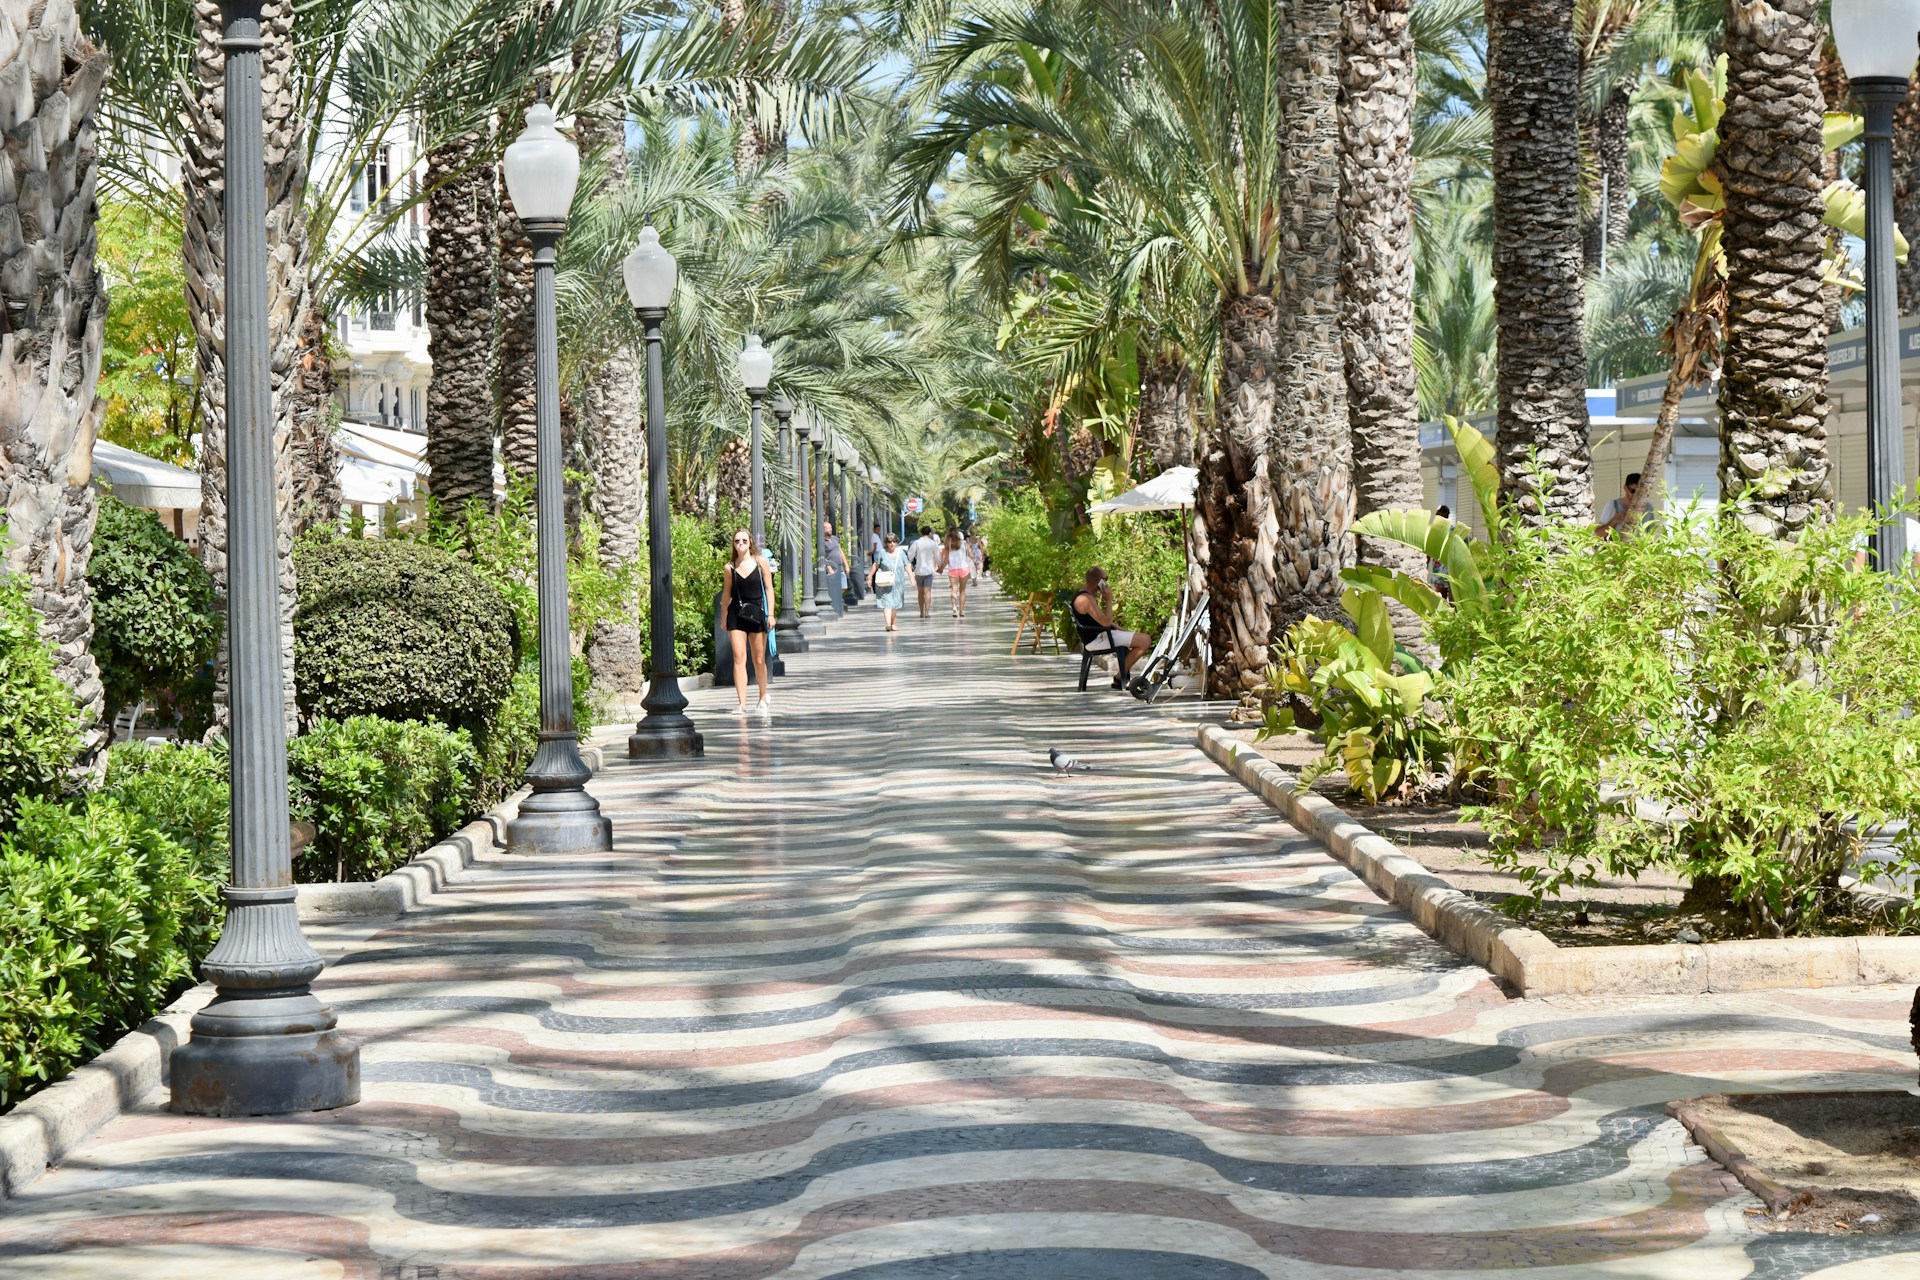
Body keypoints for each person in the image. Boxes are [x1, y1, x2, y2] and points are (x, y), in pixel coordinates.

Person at [720, 529, 774, 718]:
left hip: (757, 612)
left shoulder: (761, 562)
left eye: (744, 540)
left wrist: (771, 614)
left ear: (750, 542)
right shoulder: (730, 567)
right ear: (733, 544)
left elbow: (769, 588)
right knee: (738, 657)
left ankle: (762, 696)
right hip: (737, 613)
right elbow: (727, 593)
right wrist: (723, 615)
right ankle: (742, 704)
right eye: (737, 541)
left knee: (759, 659)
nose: (740, 543)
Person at [1072, 566, 1151, 689]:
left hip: (1101, 635)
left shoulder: (1087, 595)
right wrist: (1109, 600)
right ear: (1099, 581)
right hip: (1097, 639)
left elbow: (1100, 621)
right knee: (1145, 640)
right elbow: (1106, 623)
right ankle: (1120, 677)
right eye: (1105, 579)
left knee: (1139, 639)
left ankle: (1121, 678)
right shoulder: (1085, 599)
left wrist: (1120, 629)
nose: (1106, 583)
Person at [867, 531, 909, 632]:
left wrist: (912, 577)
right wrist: (869, 577)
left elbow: (906, 565)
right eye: (890, 542)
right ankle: (888, 624)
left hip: (898, 583)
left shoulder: (901, 553)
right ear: (886, 543)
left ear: (897, 542)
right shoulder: (882, 552)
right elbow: (875, 565)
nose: (892, 544)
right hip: (884, 582)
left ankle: (893, 623)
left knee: (895, 604)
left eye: (894, 542)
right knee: (887, 602)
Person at [1596, 474, 1656, 539]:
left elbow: (1651, 535)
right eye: (1633, 491)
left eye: (1639, 492)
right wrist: (1614, 520)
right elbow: (1599, 534)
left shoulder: (1648, 508)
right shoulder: (1612, 505)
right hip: (1617, 548)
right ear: (1625, 487)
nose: (1636, 495)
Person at [937, 528, 974, 617]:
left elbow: (946, 560)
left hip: (953, 570)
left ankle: (954, 607)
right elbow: (972, 556)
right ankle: (961, 611)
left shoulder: (948, 545)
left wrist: (941, 568)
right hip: (964, 569)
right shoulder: (965, 544)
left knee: (954, 589)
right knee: (962, 591)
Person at [908, 524, 942, 618]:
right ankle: (927, 612)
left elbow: (910, 554)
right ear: (930, 533)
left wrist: (909, 562)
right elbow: (938, 556)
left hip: (919, 570)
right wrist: (940, 566)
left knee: (920, 592)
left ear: (921, 533)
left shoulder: (916, 543)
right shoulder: (932, 543)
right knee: (928, 591)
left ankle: (921, 612)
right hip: (929, 571)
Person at [821, 519, 848, 615]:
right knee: (834, 586)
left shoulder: (835, 539)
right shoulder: (822, 542)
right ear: (823, 529)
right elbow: (822, 556)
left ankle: (837, 599)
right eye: (828, 528)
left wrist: (846, 565)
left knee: (843, 586)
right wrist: (829, 568)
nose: (830, 529)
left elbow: (840, 551)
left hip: (840, 566)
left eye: (830, 527)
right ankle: (836, 603)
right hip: (831, 568)